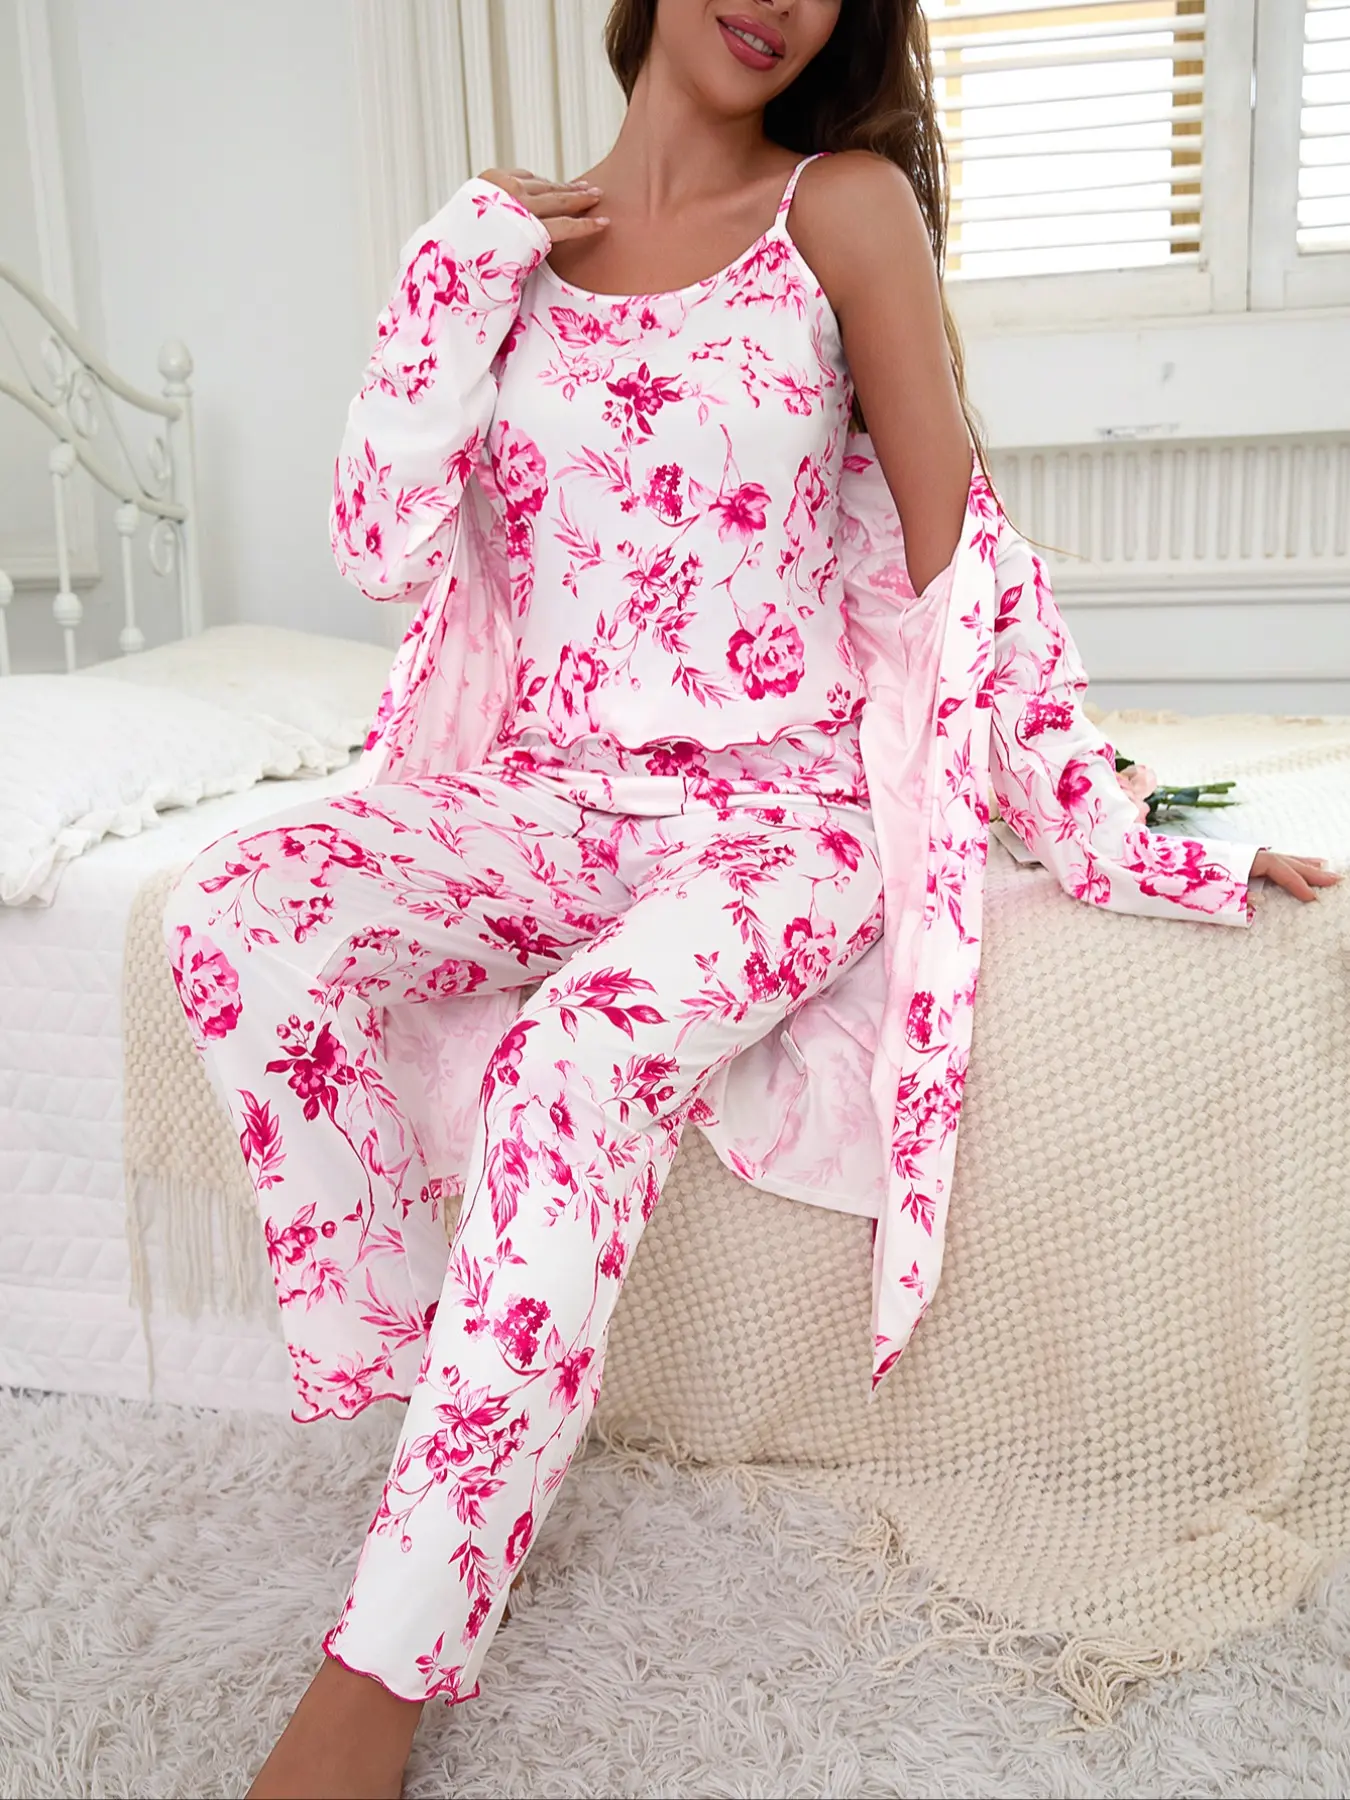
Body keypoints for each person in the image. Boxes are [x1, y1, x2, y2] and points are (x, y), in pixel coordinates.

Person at [163, 2, 1341, 1794]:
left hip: (779, 816)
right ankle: (436, 1397)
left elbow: (958, 573)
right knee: (238, 903)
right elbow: (379, 549)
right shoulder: (504, 249)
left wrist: (1112, 826)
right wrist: (452, 270)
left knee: (572, 1065)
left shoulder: (839, 209)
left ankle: (382, 1666)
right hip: (553, 793)